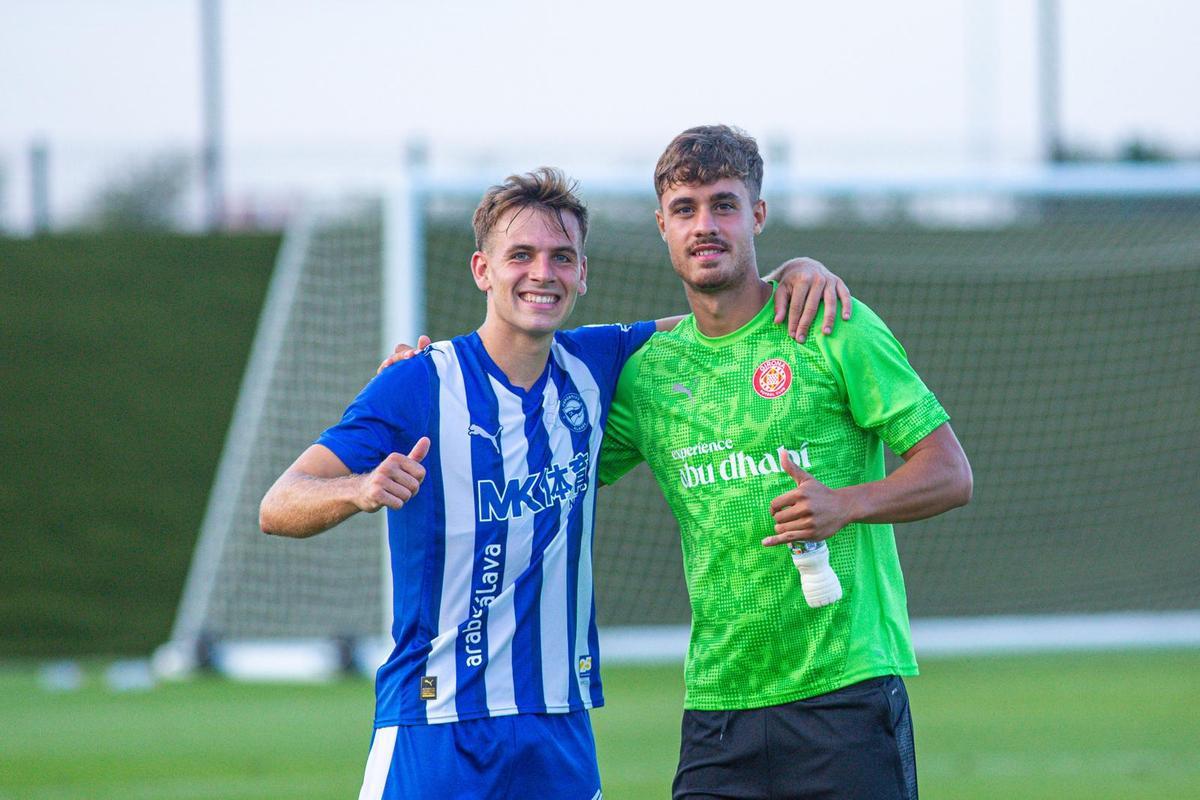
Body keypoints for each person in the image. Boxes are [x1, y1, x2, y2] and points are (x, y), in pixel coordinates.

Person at [259, 166, 853, 800]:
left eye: (561, 257)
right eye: (521, 255)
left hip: (558, 729)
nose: (543, 272)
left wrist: (795, 270)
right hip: (433, 725)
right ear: (483, 271)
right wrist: (356, 489)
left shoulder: (600, 362)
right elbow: (279, 502)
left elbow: (722, 317)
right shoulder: (417, 383)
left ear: (582, 274)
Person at [599, 125, 973, 800]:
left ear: (758, 215)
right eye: (685, 210)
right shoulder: (646, 376)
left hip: (845, 695)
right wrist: (428, 381)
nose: (704, 225)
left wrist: (849, 503)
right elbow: (543, 448)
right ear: (661, 225)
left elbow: (950, 472)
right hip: (718, 706)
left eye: (724, 205)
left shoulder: (832, 323)